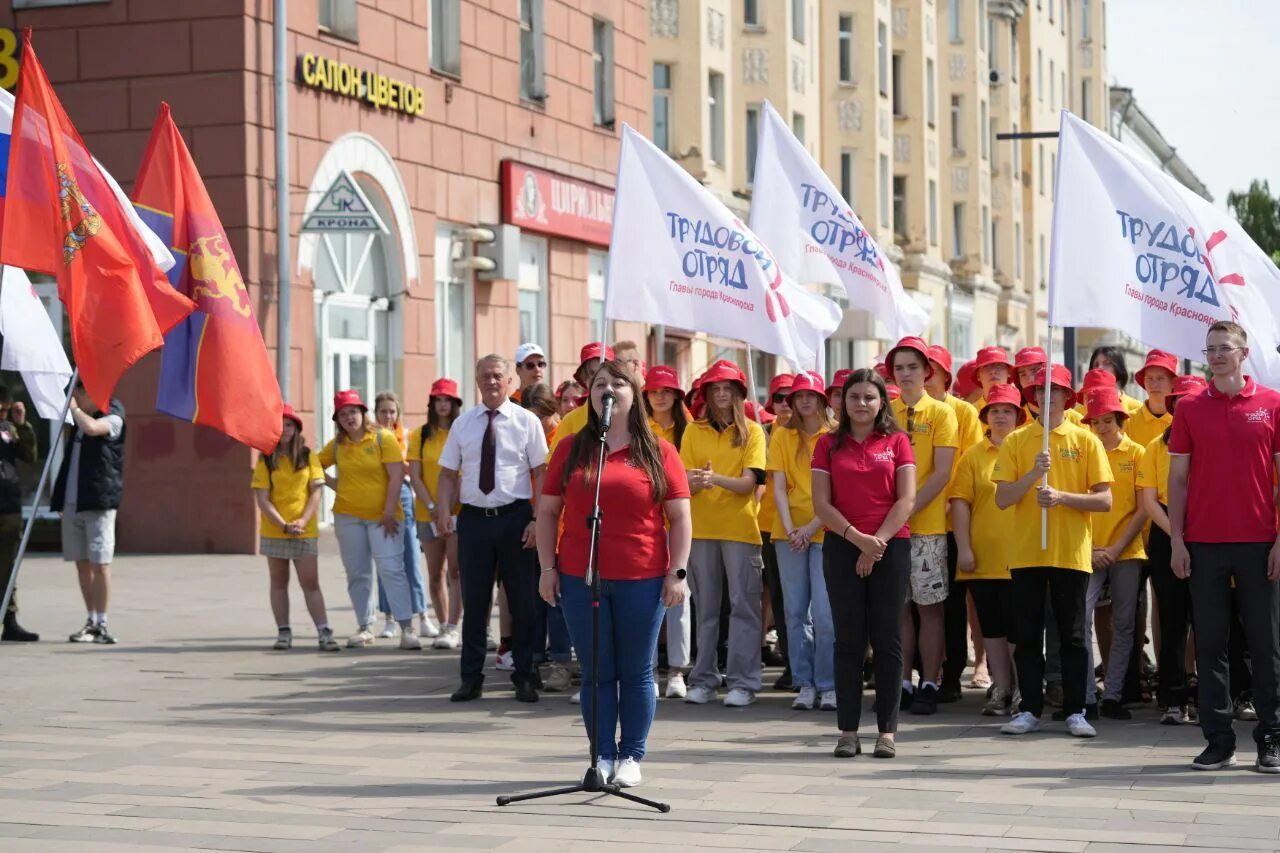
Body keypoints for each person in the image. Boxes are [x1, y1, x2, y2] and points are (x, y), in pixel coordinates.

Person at [538, 359, 691, 788]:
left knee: (636, 670)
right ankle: (602, 753)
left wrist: (677, 573)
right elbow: (549, 511)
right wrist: (547, 568)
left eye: (617, 383)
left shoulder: (659, 451)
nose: (607, 389)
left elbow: (680, 517)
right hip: (579, 575)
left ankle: (631, 756)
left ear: (634, 393)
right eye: (599, 383)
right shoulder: (571, 448)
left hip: (642, 576)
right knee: (597, 670)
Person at [1168, 321, 1280, 773]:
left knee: (1267, 643)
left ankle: (1271, 737)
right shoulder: (1190, 408)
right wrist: (1176, 538)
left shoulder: (1272, 404)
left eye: (1224, 348)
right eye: (1210, 349)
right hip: (1204, 541)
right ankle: (1218, 740)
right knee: (1210, 642)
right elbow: (1177, 480)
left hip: (1260, 541)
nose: (1216, 355)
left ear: (1243, 352)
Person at [993, 364, 1112, 739]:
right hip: (1027, 552)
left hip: (1070, 553)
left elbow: (1105, 500)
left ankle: (1075, 709)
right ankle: (1029, 708)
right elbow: (1002, 498)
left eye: (1055, 391)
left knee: (1073, 636)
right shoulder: (1016, 441)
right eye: (1040, 391)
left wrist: (1061, 497)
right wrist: (1032, 475)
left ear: (1066, 397)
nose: (1047, 398)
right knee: (1028, 635)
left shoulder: (1085, 440)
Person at [812, 369, 916, 758]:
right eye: (853, 397)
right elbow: (822, 504)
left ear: (881, 402)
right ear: (841, 402)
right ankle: (848, 731)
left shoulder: (898, 441)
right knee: (848, 640)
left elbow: (905, 500)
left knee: (888, 638)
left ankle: (887, 732)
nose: (860, 404)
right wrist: (857, 540)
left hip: (891, 546)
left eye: (869, 398)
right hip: (842, 545)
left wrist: (877, 545)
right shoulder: (827, 445)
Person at [437, 355, 548, 703]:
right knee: (475, 600)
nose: (492, 381)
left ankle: (525, 676)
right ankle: (471, 678)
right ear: (477, 380)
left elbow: (542, 473)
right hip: (473, 519)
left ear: (511, 381)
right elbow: (446, 473)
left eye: (498, 375)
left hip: (515, 518)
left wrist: (537, 519)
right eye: (485, 376)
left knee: (522, 601)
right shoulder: (464, 424)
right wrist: (443, 510)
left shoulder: (527, 422)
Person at [680, 360, 767, 707]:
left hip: (741, 530)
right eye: (715, 388)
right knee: (706, 609)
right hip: (700, 529)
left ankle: (743, 682)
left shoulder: (754, 432)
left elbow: (749, 484)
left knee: (744, 606)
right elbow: (683, 480)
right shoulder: (693, 430)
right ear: (705, 393)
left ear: (738, 394)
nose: (720, 394)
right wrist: (696, 481)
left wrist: (712, 479)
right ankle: (703, 678)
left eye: (727, 388)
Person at [887, 337, 959, 715]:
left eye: (913, 367)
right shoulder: (886, 412)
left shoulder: (942, 413)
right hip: (890, 528)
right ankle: (903, 681)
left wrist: (909, 508)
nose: (906, 374)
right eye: (899, 368)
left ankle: (930, 681)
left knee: (929, 607)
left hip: (927, 525)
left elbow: (943, 472)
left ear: (927, 371)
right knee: (898, 608)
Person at [319, 390, 419, 649]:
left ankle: (407, 628)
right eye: (343, 414)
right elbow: (313, 464)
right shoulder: (338, 445)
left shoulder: (382, 438)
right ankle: (365, 627)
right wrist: (333, 484)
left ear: (363, 413)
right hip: (347, 517)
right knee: (357, 574)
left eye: (353, 411)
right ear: (338, 420)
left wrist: (387, 512)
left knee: (392, 570)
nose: (349, 417)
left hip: (384, 518)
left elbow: (397, 477)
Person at [950, 383, 1025, 716]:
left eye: (1007, 411)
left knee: (1019, 626)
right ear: (985, 416)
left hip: (1022, 557)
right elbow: (960, 504)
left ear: (1018, 416)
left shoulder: (1027, 450)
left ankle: (1023, 688)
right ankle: (1001, 687)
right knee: (991, 627)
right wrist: (963, 548)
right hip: (981, 556)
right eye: (994, 411)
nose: (1000, 416)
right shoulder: (973, 456)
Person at [1138, 374, 1206, 726]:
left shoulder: (1212, 443)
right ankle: (1173, 698)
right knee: (1174, 618)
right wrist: (1176, 533)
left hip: (1208, 529)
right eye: (1178, 403)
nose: (1183, 409)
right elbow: (1149, 500)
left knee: (1209, 620)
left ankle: (1208, 696)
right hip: (1168, 532)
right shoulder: (1154, 446)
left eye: (1190, 402)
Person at [768, 372, 836, 711]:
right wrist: (791, 527)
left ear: (822, 399)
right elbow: (778, 487)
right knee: (795, 612)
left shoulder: (836, 435)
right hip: (789, 532)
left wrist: (809, 527)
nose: (804, 400)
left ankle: (828, 684)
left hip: (827, 529)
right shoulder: (782, 435)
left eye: (811, 394)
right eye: (798, 396)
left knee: (824, 614)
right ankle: (804, 682)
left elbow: (839, 492)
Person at [1081, 389, 1147, 720]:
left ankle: (1115, 694)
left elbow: (1142, 508)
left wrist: (1117, 547)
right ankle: (1088, 697)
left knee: (1124, 624)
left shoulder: (1136, 452)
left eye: (1108, 420)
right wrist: (1092, 547)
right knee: (1082, 617)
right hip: (1088, 548)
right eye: (1096, 422)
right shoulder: (1085, 449)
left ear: (1120, 419)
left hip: (1128, 548)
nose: (1102, 427)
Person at [251, 405, 339, 652]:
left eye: (289, 425)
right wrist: (283, 524)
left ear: (297, 428)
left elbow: (316, 492)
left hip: (304, 530)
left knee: (310, 583)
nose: (284, 430)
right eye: (280, 425)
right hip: (274, 529)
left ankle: (324, 631)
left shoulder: (308, 455)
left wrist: (301, 521)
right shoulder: (266, 457)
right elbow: (263, 498)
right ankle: (284, 632)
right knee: (279, 582)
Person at [926, 344, 986, 700]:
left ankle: (952, 673)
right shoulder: (906, 410)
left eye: (931, 369)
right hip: (918, 521)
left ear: (946, 376)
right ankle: (926, 672)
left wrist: (953, 503)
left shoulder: (962, 412)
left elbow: (969, 466)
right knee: (923, 604)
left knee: (953, 602)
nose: (925, 375)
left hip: (952, 521)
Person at [54, 381, 126, 645]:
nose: (75, 400)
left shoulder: (115, 413)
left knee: (100, 563)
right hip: (74, 503)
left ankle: (102, 623)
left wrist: (74, 410)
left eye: (78, 395)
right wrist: (60, 499)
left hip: (99, 500)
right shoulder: (78, 427)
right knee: (82, 564)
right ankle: (90, 619)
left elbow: (94, 428)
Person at [643, 365, 693, 698]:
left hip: (680, 521)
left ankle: (676, 670)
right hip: (645, 524)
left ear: (676, 395)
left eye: (666, 390)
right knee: (644, 601)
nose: (660, 396)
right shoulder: (637, 427)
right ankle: (645, 669)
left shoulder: (690, 429)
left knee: (678, 594)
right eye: (654, 391)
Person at [519, 382, 573, 691]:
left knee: (558, 602)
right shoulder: (526, 438)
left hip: (563, 528)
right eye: (530, 417)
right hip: (534, 524)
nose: (536, 424)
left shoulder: (565, 436)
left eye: (541, 416)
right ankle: (535, 658)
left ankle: (562, 663)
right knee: (536, 598)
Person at [408, 378, 464, 651]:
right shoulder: (419, 435)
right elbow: (414, 476)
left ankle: (454, 624)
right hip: (426, 512)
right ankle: (443, 625)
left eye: (448, 400)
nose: (443, 405)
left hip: (457, 511)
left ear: (455, 404)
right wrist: (433, 508)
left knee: (456, 570)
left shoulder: (462, 432)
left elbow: (463, 474)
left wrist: (448, 510)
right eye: (438, 400)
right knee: (434, 573)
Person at [372, 391, 431, 640]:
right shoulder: (372, 438)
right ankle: (390, 618)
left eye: (392, 411)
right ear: (375, 414)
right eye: (383, 411)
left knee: (411, 559)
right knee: (387, 563)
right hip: (379, 497)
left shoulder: (405, 437)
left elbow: (413, 468)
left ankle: (423, 616)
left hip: (404, 496)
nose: (388, 416)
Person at [760, 372, 795, 688]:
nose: (785, 404)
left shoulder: (817, 433)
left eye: (790, 397)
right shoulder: (763, 433)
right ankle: (791, 660)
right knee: (782, 599)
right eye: (779, 398)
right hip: (768, 526)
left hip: (804, 526)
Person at [0, 388, 37, 642]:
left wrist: (23, 425)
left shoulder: (10, 429)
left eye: (5, 409)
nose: (2, 413)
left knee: (8, 568)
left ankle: (9, 620)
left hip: (9, 506)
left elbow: (30, 456)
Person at [549, 343, 616, 455]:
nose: (599, 378)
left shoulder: (630, 416)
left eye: (605, 371)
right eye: (592, 373)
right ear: (584, 378)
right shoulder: (570, 420)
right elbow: (553, 465)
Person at [1128, 350, 1178, 450]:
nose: (1154, 385)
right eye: (1149, 378)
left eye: (1160, 378)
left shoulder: (1182, 421)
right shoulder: (1127, 421)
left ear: (1173, 382)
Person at [1088, 346, 1143, 414]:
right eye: (1096, 364)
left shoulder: (1138, 409)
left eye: (1107, 363)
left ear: (1118, 368)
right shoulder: (1081, 411)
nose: (1100, 368)